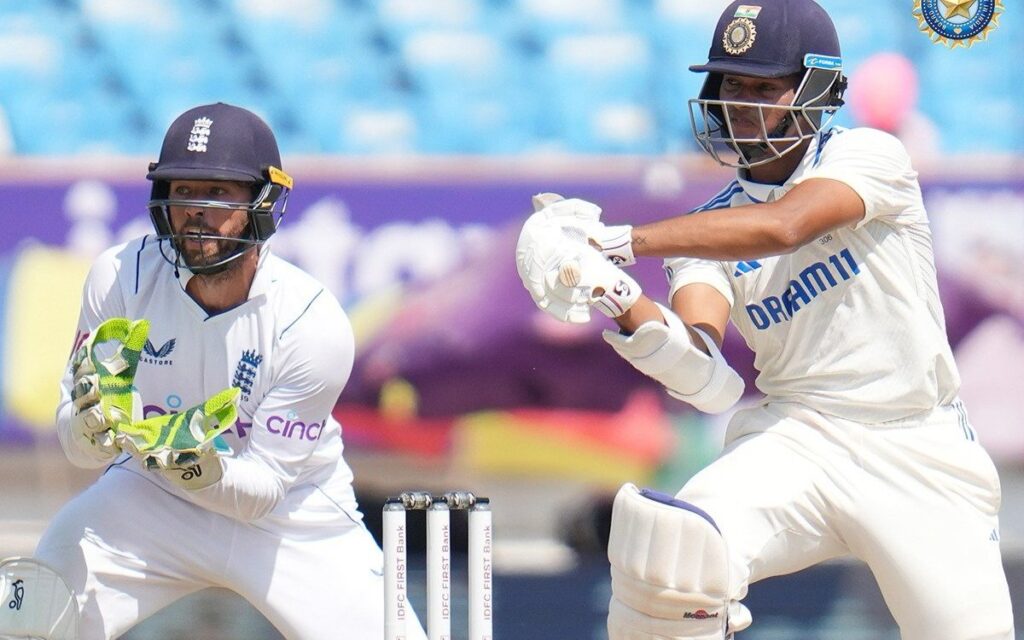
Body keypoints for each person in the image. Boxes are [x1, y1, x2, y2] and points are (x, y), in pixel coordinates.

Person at [516, 1, 1014, 638]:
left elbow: (785, 225)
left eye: (763, 87)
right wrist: (611, 290)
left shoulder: (870, 156)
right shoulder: (704, 232)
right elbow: (703, 375)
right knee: (676, 559)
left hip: (914, 442)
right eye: (731, 84)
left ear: (816, 89)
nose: (741, 103)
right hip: (798, 437)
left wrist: (621, 242)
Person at [33, 103, 427, 640]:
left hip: (292, 519)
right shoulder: (120, 278)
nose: (197, 212)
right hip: (150, 496)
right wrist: (87, 432)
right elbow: (77, 446)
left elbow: (264, 489)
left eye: (218, 193)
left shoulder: (310, 322)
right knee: (37, 611)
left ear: (261, 203)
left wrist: (200, 466)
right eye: (183, 191)